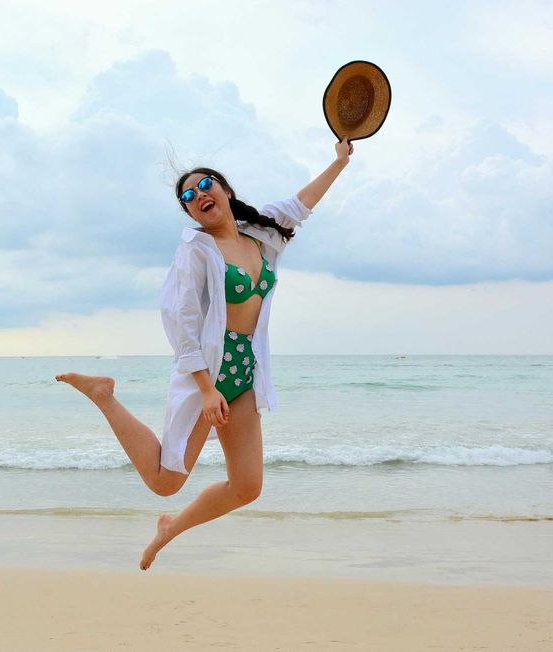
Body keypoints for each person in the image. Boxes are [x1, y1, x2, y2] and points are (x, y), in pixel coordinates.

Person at [56, 137, 354, 570]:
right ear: (191, 213)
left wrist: (339, 162)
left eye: (205, 186)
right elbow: (183, 324)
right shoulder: (196, 251)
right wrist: (206, 388)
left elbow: (300, 204)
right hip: (209, 375)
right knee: (164, 480)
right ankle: (104, 395)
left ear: (226, 191)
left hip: (246, 372)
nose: (198, 196)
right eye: (188, 198)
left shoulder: (261, 233)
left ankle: (169, 529)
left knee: (247, 487)